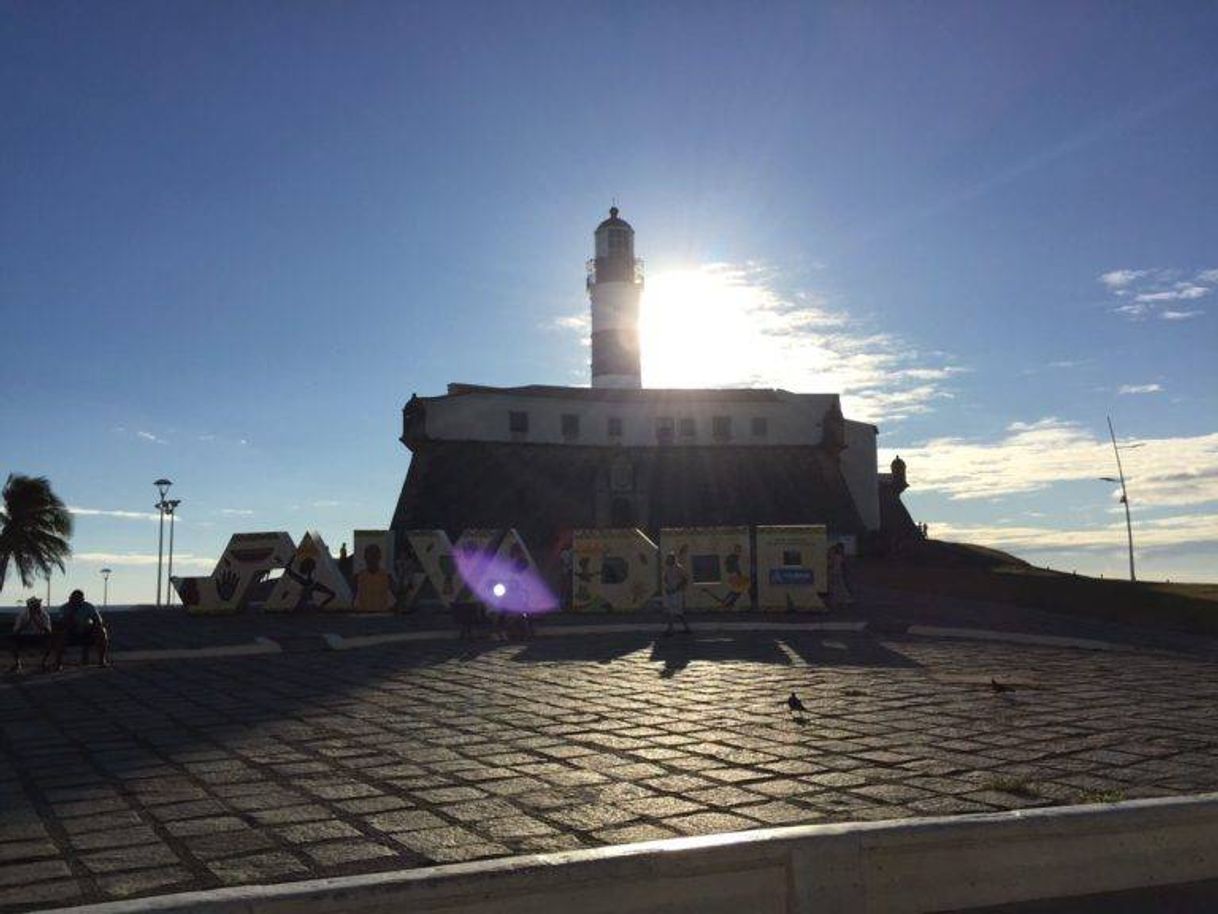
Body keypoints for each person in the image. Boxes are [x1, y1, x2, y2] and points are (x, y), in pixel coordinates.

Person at [51, 589, 110, 670]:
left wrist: (93, 624)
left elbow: (99, 621)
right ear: (70, 598)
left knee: (102, 631)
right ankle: (58, 663)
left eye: (78, 599)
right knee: (59, 634)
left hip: (87, 631)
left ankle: (102, 660)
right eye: (73, 598)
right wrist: (70, 615)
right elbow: (60, 622)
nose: (75, 601)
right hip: (70, 633)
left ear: (82, 599)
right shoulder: (64, 608)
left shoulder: (89, 607)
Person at [10, 596, 52, 672]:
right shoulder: (23, 615)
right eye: (34, 606)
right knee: (13, 642)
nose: (37, 608)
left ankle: (43, 663)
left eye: (38, 605)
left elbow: (48, 631)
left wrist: (37, 621)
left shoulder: (44, 615)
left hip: (40, 636)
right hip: (24, 637)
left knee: (50, 642)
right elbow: (16, 630)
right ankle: (17, 663)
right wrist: (28, 622)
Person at [354, 543, 396, 613]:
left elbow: (396, 596)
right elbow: (353, 598)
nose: (372, 558)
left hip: (382, 616)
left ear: (379, 557)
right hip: (364, 615)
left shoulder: (387, 576)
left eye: (375, 555)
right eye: (370, 555)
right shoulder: (359, 577)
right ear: (365, 557)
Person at [661, 552, 691, 636]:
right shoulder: (668, 569)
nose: (668, 560)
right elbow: (666, 579)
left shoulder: (678, 568)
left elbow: (685, 579)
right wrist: (668, 587)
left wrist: (677, 588)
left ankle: (670, 630)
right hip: (671, 592)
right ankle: (687, 628)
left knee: (673, 612)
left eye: (670, 559)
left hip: (677, 593)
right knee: (678, 613)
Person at [827, 543, 853, 608]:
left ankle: (838, 602)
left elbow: (832, 565)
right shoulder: (838, 556)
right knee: (838, 587)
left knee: (836, 588)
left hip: (835, 573)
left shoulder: (836, 557)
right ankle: (841, 601)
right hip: (837, 573)